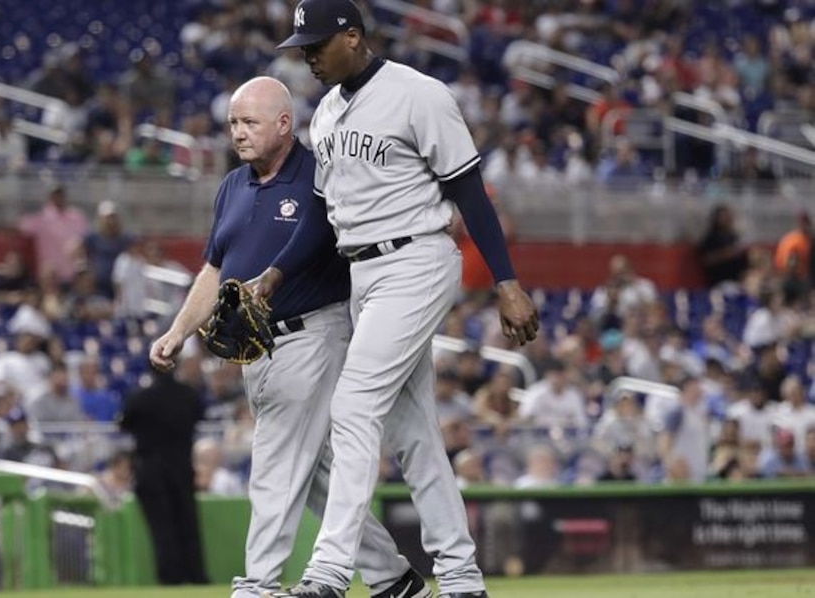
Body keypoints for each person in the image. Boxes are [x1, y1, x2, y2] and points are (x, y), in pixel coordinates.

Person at [260, 3, 538, 596]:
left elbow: (469, 190)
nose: (306, 55)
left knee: (354, 406)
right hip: (363, 272)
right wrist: (275, 275)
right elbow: (318, 214)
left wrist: (506, 280)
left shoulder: (419, 93)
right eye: (301, 46)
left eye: (315, 44)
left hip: (417, 258)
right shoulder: (326, 112)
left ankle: (330, 573)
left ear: (353, 37)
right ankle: (462, 577)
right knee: (413, 433)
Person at [149, 76, 429, 598]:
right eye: (233, 122)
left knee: (277, 461)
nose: (238, 132)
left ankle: (257, 584)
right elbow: (214, 270)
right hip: (258, 352)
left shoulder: (320, 175)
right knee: (313, 474)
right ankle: (394, 579)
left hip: (313, 333)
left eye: (249, 121)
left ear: (284, 123)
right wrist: (179, 329)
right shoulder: (232, 186)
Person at [118, 367, 207, 586]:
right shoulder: (188, 394)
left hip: (151, 467)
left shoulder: (140, 397)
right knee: (188, 521)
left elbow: (124, 423)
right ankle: (196, 574)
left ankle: (171, 576)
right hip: (182, 466)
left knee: (161, 526)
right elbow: (199, 416)